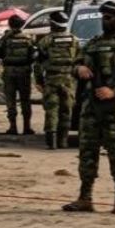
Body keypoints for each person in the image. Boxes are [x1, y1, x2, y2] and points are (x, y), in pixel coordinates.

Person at [63, 0, 115, 214]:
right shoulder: (93, 42)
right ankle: (85, 198)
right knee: (87, 154)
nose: (104, 20)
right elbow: (75, 63)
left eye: (109, 17)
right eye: (103, 17)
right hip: (91, 107)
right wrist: (79, 69)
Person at [34, 11, 80, 150]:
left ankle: (51, 142)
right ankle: (63, 141)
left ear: (52, 23)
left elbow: (38, 63)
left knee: (51, 109)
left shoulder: (45, 41)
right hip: (69, 81)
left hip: (52, 80)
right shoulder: (74, 40)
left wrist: (39, 81)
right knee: (67, 110)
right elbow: (80, 62)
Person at [0, 14, 36, 135]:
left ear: (10, 24)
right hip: (24, 72)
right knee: (25, 100)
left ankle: (13, 127)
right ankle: (27, 127)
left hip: (9, 72)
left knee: (11, 100)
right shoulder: (28, 39)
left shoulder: (5, 39)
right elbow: (34, 55)